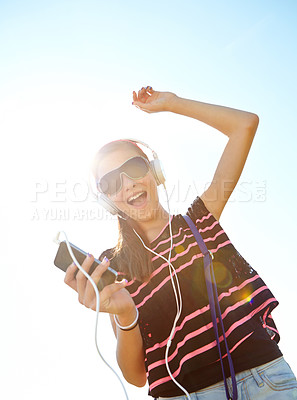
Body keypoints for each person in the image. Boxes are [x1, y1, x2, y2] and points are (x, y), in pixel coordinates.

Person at [64, 86, 297, 399]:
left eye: (134, 168)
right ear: (108, 201)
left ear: (155, 172)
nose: (128, 183)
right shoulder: (113, 266)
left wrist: (172, 104)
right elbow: (134, 376)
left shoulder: (199, 221)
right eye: (110, 182)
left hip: (264, 380)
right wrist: (125, 314)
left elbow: (245, 124)